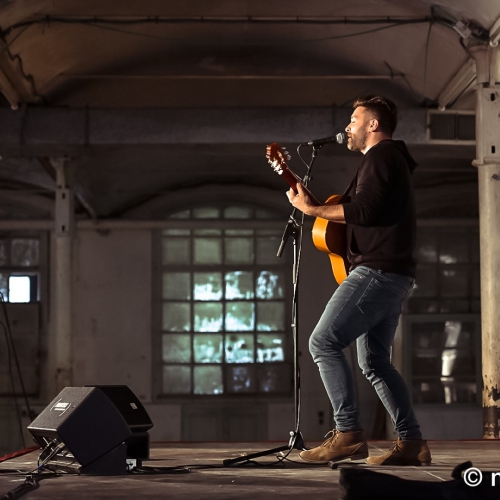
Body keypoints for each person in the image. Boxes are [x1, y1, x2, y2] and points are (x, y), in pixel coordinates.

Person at [286, 95, 431, 466]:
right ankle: (411, 443)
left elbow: (363, 212)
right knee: (375, 362)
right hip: (393, 274)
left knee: (323, 341)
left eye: (354, 119)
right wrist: (317, 207)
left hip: (378, 271)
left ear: (373, 125)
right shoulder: (390, 161)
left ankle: (348, 433)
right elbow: (363, 214)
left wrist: (312, 210)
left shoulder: (381, 157)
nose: (347, 126)